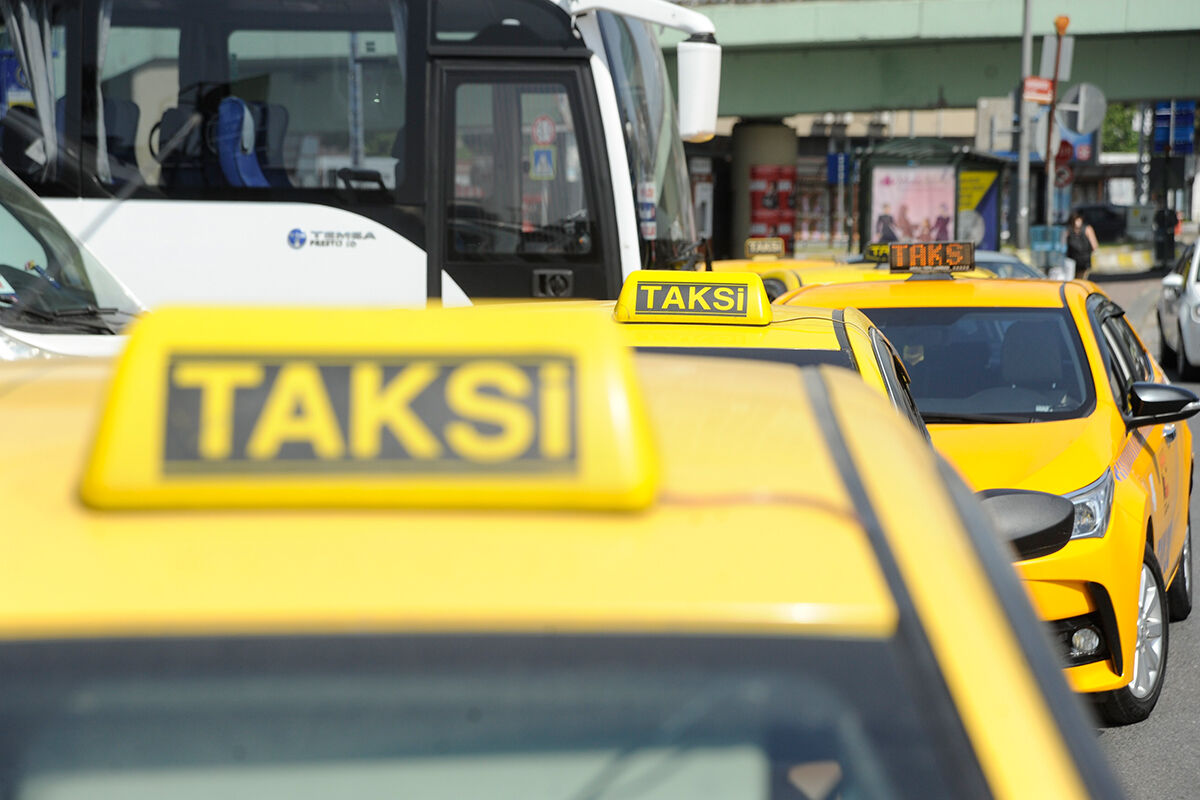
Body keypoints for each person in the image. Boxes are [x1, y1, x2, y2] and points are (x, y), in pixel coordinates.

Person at [1066, 212, 1099, 280]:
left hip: (1080, 261)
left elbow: (1094, 245)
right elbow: (1094, 246)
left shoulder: (1086, 229)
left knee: (1076, 280)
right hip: (1079, 260)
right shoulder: (1069, 231)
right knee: (1080, 280)